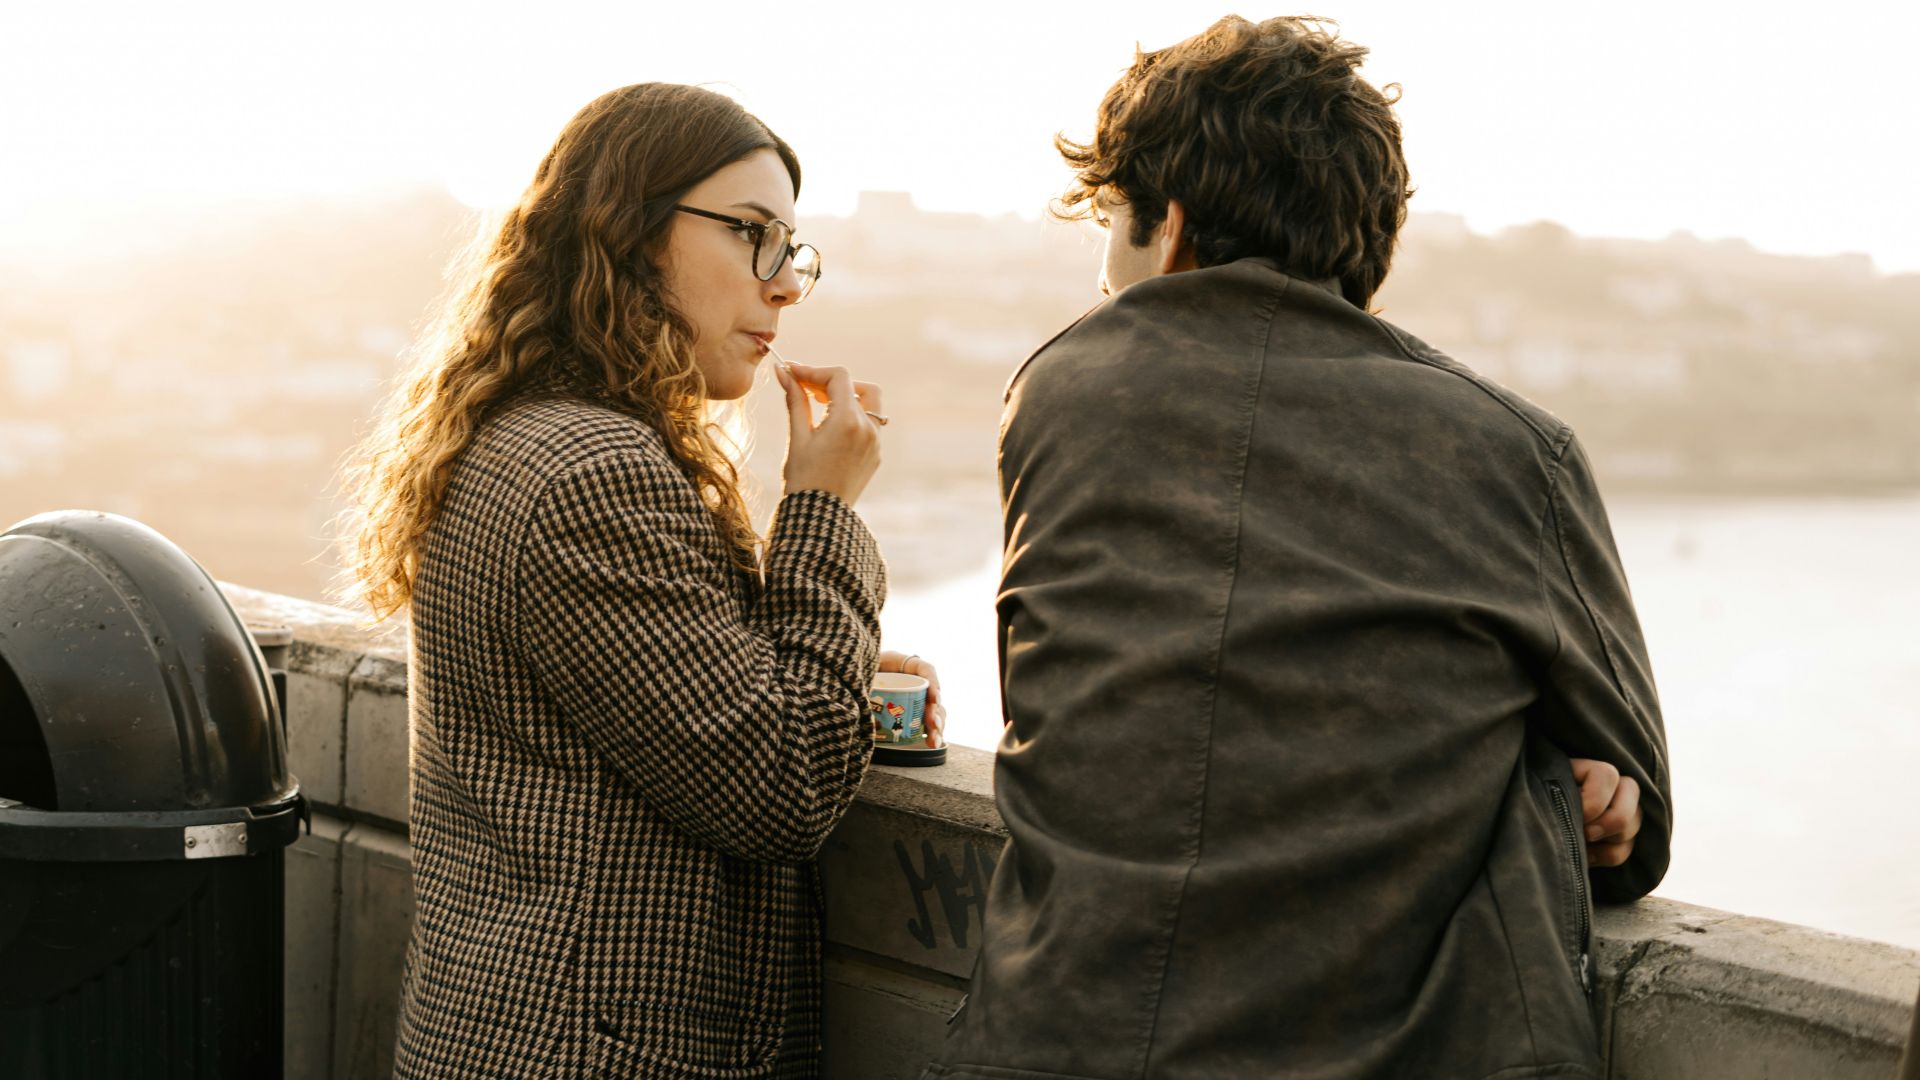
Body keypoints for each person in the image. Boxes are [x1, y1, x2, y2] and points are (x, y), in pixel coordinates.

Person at [926, 17, 1670, 1079]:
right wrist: (1566, 782)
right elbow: (1638, 827)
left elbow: (1083, 707)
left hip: (1051, 1039)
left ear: (1169, 227)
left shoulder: (1062, 392)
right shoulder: (1515, 451)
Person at [341, 82, 941, 1079]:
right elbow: (780, 786)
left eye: (792, 249)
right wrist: (823, 506)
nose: (785, 284)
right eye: (752, 234)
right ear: (628, 232)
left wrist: (831, 669)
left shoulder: (522, 435)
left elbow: (655, 699)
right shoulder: (594, 472)